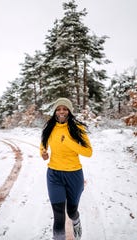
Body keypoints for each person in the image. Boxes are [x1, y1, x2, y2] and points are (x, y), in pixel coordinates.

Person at [40, 97, 92, 240]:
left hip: (74, 175)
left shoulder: (78, 128)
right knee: (58, 215)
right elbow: (43, 144)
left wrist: (68, 142)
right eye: (58, 109)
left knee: (71, 211)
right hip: (54, 174)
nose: (61, 111)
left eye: (64, 108)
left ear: (69, 111)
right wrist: (43, 153)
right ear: (55, 111)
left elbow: (88, 152)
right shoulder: (49, 128)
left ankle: (76, 221)